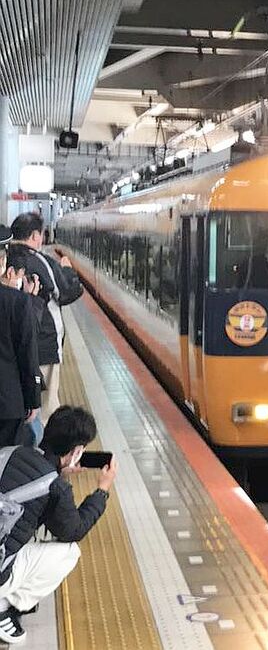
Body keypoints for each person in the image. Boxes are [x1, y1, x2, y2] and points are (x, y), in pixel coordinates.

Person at [0, 406, 116, 644]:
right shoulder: (56, 488)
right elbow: (73, 531)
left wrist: (58, 475)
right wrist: (102, 491)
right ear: (76, 451)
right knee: (69, 553)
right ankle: (3, 605)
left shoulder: (10, 452)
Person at [9, 213, 83, 425]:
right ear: (34, 235)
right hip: (43, 345)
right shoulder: (39, 261)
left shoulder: (5, 257)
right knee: (47, 407)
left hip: (11, 349)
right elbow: (68, 291)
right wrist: (68, 271)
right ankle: (43, 455)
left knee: (21, 405)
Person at [0, 225, 41, 447]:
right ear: (2, 262)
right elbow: (28, 355)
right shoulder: (18, 302)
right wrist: (33, 400)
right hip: (8, 403)